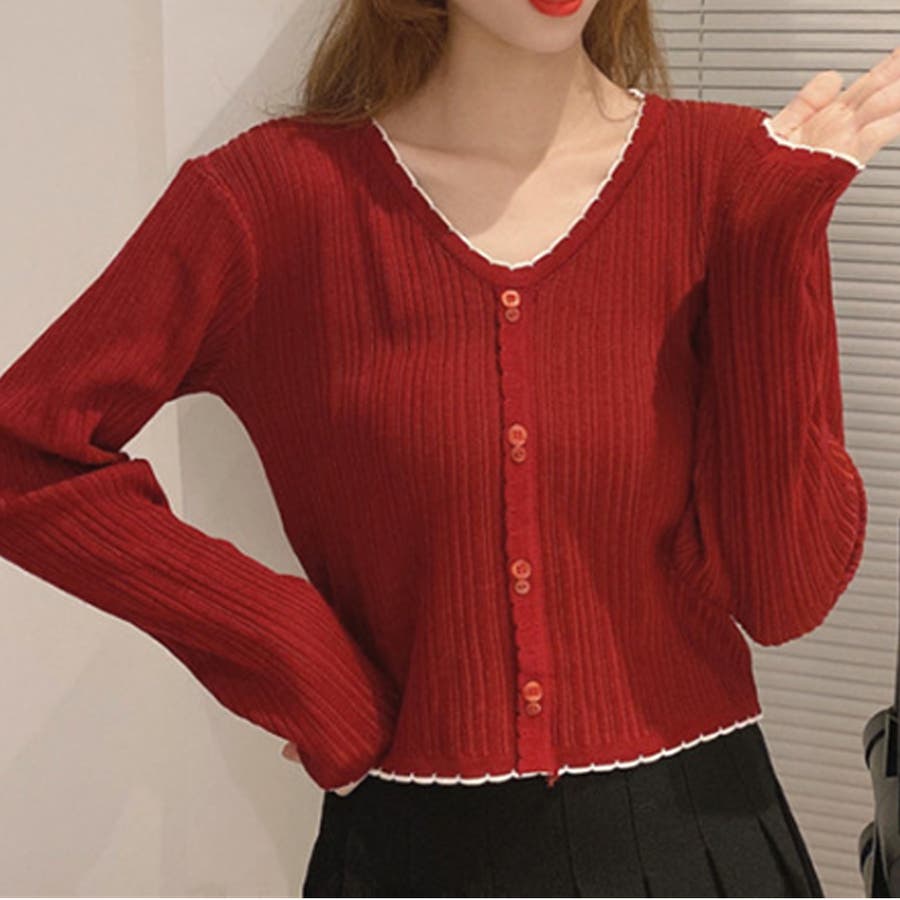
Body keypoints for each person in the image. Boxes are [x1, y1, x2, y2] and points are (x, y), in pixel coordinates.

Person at [1, 0, 896, 895]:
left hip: (703, 845)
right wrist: (295, 658)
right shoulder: (275, 198)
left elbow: (784, 595)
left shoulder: (736, 172)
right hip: (415, 854)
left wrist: (773, 241)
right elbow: (23, 451)